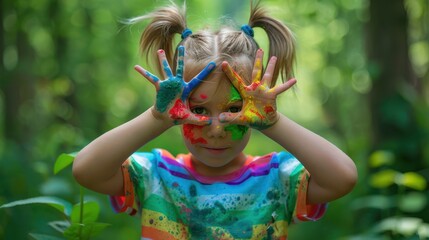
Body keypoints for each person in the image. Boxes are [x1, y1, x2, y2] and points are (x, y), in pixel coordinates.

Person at [72, 1, 358, 239]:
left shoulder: (277, 178)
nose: (217, 128)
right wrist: (156, 118)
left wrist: (274, 123)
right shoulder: (155, 176)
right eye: (198, 110)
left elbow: (343, 178)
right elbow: (86, 170)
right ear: (177, 109)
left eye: (234, 109)